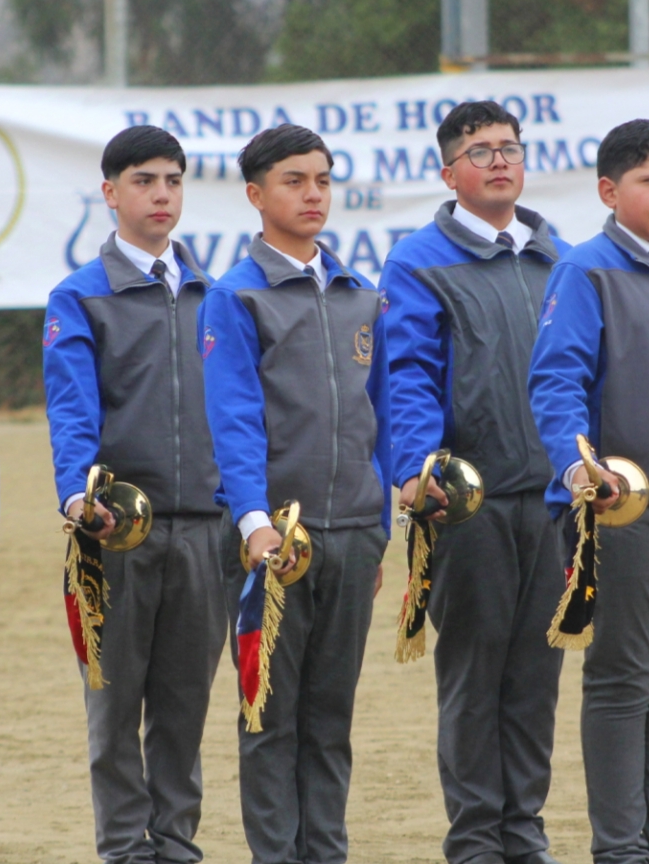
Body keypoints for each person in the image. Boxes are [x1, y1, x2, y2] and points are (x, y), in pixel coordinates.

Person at [379, 100, 570, 864]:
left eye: (509, 148)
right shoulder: (418, 260)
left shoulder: (558, 256)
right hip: (469, 508)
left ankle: (522, 833)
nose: (498, 160)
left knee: (535, 676)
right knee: (474, 676)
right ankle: (476, 842)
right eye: (480, 149)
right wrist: (420, 471)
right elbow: (407, 375)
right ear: (447, 170)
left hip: (553, 505)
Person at [200, 123, 390, 864]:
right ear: (256, 195)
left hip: (352, 536)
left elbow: (372, 417)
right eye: (293, 181)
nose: (312, 194)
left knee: (329, 717)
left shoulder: (357, 296)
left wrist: (377, 528)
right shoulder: (235, 298)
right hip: (272, 547)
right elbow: (233, 420)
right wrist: (253, 524)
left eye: (321, 179)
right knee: (269, 718)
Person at [43, 125, 226, 864]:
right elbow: (70, 408)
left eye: (172, 181)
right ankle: (124, 847)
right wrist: (78, 496)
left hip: (206, 531)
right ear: (110, 192)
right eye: (144, 181)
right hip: (119, 534)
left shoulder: (216, 293)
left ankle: (176, 843)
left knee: (185, 704)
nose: (160, 194)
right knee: (115, 704)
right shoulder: (80, 296)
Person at [528, 118, 649, 864]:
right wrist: (580, 471)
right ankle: (620, 849)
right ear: (608, 191)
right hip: (621, 509)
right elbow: (554, 381)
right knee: (622, 677)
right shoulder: (584, 270)